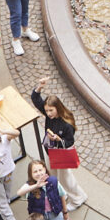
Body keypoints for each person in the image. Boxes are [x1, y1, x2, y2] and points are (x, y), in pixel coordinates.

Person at [31, 77, 87, 210]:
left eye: (51, 110)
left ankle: (78, 198)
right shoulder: (49, 115)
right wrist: (40, 86)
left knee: (66, 179)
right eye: (47, 111)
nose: (48, 113)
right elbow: (36, 99)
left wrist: (58, 140)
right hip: (51, 151)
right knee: (53, 175)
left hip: (61, 154)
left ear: (58, 108)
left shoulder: (66, 124)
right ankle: (63, 193)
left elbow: (69, 142)